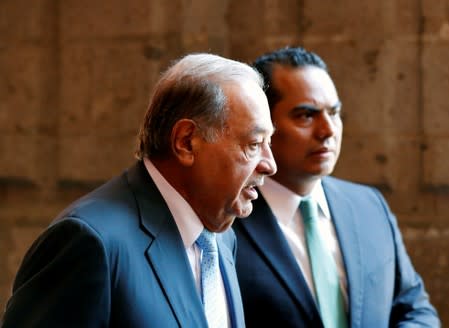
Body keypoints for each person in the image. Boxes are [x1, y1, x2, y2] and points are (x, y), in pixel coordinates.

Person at [2, 53, 277, 327]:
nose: (270, 165)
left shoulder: (221, 237)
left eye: (269, 143)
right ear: (186, 142)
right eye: (254, 144)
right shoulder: (90, 242)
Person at [232, 47, 440, 327]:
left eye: (334, 112)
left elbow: (415, 310)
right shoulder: (227, 219)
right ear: (263, 124)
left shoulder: (369, 206)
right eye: (306, 115)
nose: (328, 130)